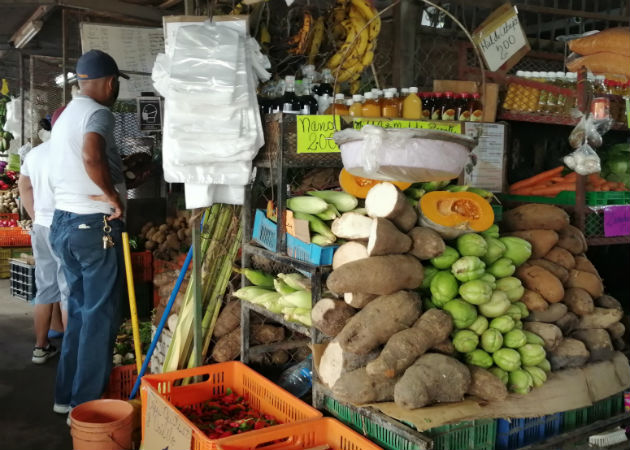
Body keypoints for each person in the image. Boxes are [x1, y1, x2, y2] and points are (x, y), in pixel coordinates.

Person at [48, 50, 128, 418]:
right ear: (109, 82)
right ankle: (85, 408)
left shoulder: (65, 115)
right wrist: (112, 196)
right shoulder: (99, 113)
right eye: (115, 84)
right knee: (99, 318)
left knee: (79, 313)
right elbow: (92, 155)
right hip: (93, 226)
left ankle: (66, 396)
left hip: (64, 224)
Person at [18, 107, 69, 364]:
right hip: (66, 226)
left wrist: (35, 214)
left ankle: (40, 347)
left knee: (45, 287)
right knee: (68, 289)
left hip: (41, 227)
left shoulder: (35, 154)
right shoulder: (72, 153)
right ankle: (73, 352)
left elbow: (23, 186)